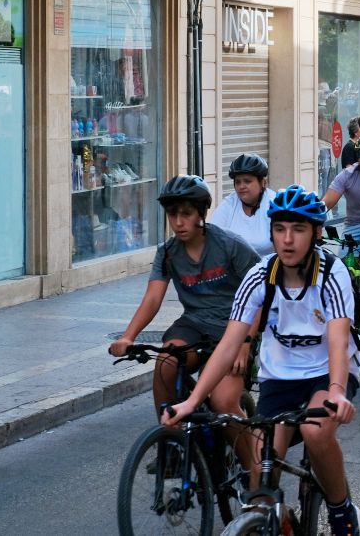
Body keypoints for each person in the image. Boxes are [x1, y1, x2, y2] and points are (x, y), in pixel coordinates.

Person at [161, 185, 360, 536]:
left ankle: (341, 510)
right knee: (261, 475)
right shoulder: (259, 275)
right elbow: (229, 345)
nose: (287, 239)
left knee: (315, 432)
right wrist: (192, 402)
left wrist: (336, 391)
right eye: (279, 229)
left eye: (298, 229)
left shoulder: (332, 273)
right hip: (280, 377)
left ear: (316, 233)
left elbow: (337, 338)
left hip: (327, 372)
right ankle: (271, 523)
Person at [109, 176, 261, 466]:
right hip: (194, 324)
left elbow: (260, 296)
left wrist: (245, 344)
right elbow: (153, 299)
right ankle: (172, 445)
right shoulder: (168, 252)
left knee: (222, 402)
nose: (178, 222)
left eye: (186, 214)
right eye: (172, 214)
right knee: (166, 361)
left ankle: (254, 473)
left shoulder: (230, 245)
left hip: (235, 328)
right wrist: (128, 336)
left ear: (201, 213)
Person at [209, 153, 276, 256]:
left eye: (247, 181)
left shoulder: (273, 203)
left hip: (267, 265)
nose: (241, 186)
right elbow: (212, 238)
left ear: (263, 182)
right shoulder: (228, 204)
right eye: (238, 182)